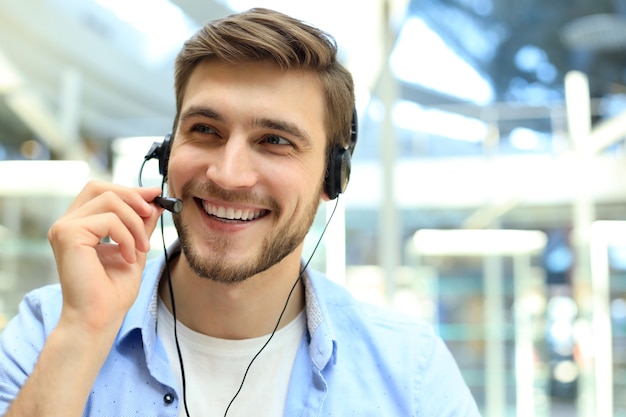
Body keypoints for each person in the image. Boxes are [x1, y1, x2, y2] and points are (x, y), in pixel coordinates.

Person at [0, 8, 480, 417]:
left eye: (275, 141)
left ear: (332, 180)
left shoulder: (412, 374)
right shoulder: (51, 330)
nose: (229, 175)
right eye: (205, 129)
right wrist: (84, 332)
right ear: (167, 154)